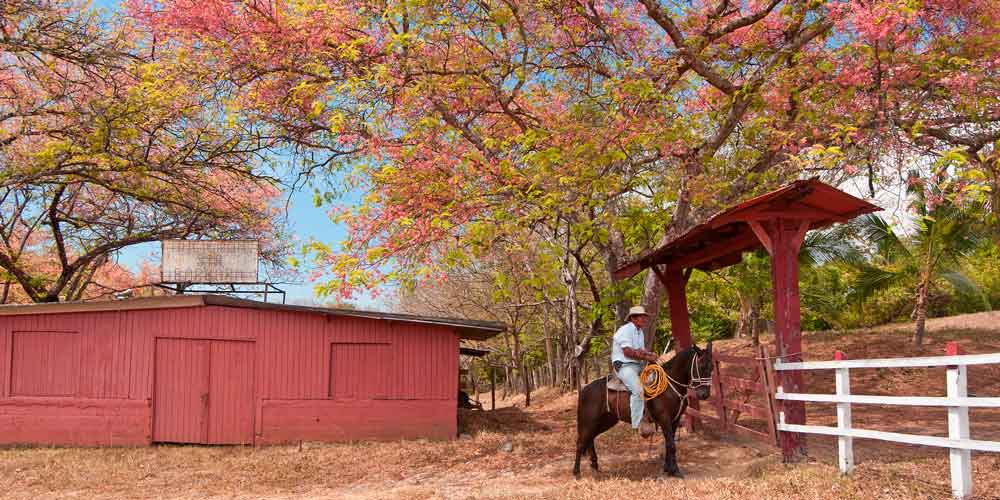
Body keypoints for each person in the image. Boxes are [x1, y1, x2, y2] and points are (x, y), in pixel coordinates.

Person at [611, 306, 662, 431]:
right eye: (641, 316)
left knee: (658, 381)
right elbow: (628, 352)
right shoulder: (625, 330)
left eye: (644, 316)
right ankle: (637, 423)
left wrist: (650, 355)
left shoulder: (640, 332)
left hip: (638, 365)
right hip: (624, 366)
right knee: (638, 390)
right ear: (633, 318)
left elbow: (641, 351)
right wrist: (647, 355)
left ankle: (658, 415)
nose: (644, 319)